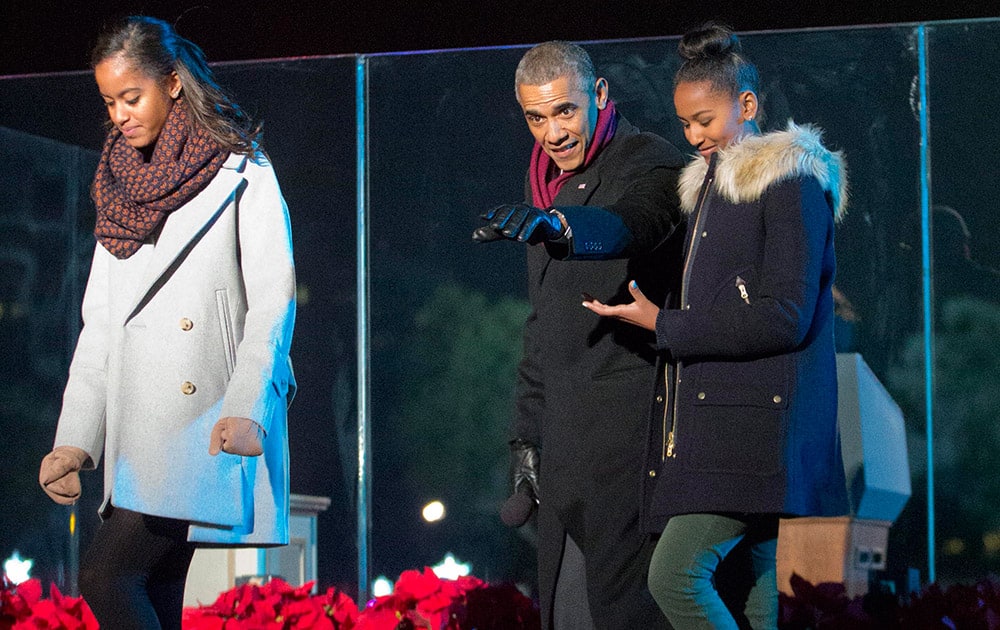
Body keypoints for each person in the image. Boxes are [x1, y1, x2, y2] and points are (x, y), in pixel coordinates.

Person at [582, 23, 849, 629]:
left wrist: (666, 324)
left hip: (755, 424)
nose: (694, 136)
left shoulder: (789, 179)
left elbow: (784, 315)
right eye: (685, 124)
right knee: (756, 589)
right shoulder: (709, 188)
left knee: (674, 576)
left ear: (747, 106)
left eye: (705, 120)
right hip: (728, 419)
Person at [37, 16, 295, 629]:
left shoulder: (241, 167)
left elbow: (273, 297)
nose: (120, 115)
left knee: (106, 577)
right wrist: (76, 438)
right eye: (110, 102)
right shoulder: (118, 185)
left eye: (133, 97)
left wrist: (248, 405)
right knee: (151, 589)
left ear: (173, 84)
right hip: (135, 427)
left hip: (205, 418)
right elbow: (101, 323)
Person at [474, 41, 685, 629]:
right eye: (535, 117)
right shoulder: (544, 183)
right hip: (566, 453)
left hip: (631, 442)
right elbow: (544, 324)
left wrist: (563, 226)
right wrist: (524, 436)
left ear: (598, 95)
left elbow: (633, 224)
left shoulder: (651, 160)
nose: (552, 132)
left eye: (564, 111)